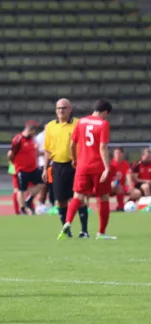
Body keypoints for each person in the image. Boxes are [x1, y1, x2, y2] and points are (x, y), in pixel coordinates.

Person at [58, 100, 116, 240]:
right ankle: (101, 233)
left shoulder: (81, 122)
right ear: (105, 112)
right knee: (103, 198)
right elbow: (103, 147)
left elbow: (72, 144)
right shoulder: (103, 124)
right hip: (98, 167)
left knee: (78, 197)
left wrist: (74, 159)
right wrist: (107, 168)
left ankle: (67, 223)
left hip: (82, 166)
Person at [43, 98, 90, 238]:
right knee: (61, 200)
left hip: (75, 165)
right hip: (58, 166)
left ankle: (84, 230)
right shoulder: (51, 126)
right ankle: (66, 230)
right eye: (58, 108)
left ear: (70, 109)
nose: (61, 111)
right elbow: (47, 150)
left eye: (64, 108)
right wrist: (45, 168)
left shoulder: (79, 124)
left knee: (79, 198)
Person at [8, 120, 45, 215]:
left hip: (33, 168)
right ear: (30, 129)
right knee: (21, 189)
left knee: (42, 183)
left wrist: (46, 154)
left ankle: (29, 200)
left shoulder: (32, 139)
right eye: (34, 130)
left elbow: (35, 153)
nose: (35, 133)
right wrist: (15, 164)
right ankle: (22, 208)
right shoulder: (18, 139)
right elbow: (10, 154)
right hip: (22, 169)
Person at [35, 129, 55, 208]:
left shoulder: (53, 135)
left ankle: (51, 203)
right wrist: (47, 152)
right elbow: (37, 152)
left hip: (52, 164)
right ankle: (41, 204)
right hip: (43, 164)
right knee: (44, 186)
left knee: (51, 186)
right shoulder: (40, 137)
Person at [109, 147, 132, 211]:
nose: (117, 154)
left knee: (136, 193)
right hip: (109, 187)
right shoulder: (110, 164)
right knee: (118, 187)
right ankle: (103, 208)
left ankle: (124, 206)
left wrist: (130, 185)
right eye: (116, 153)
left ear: (123, 154)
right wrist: (112, 182)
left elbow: (128, 176)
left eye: (119, 153)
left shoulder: (126, 164)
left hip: (122, 187)